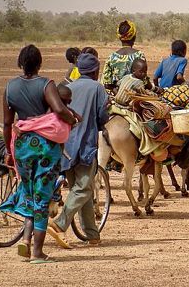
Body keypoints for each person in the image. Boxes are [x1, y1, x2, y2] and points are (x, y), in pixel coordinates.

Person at [0, 45, 78, 263]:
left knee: (28, 192)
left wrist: (9, 150)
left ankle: (25, 240)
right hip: (45, 146)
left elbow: (7, 123)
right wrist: (73, 121)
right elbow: (60, 109)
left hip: (22, 145)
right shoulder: (46, 84)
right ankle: (37, 252)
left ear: (19, 63)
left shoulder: (10, 87)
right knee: (42, 196)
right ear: (40, 64)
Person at [48, 53, 109, 248]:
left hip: (66, 145)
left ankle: (92, 234)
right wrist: (100, 124)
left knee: (82, 190)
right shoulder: (98, 88)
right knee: (83, 190)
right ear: (95, 71)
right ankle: (60, 224)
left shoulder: (69, 87)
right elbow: (102, 115)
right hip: (85, 145)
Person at [101, 20, 146, 91]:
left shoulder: (111, 57)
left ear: (120, 38)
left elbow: (106, 83)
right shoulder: (139, 55)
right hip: (135, 98)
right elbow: (144, 81)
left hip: (116, 97)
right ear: (134, 37)